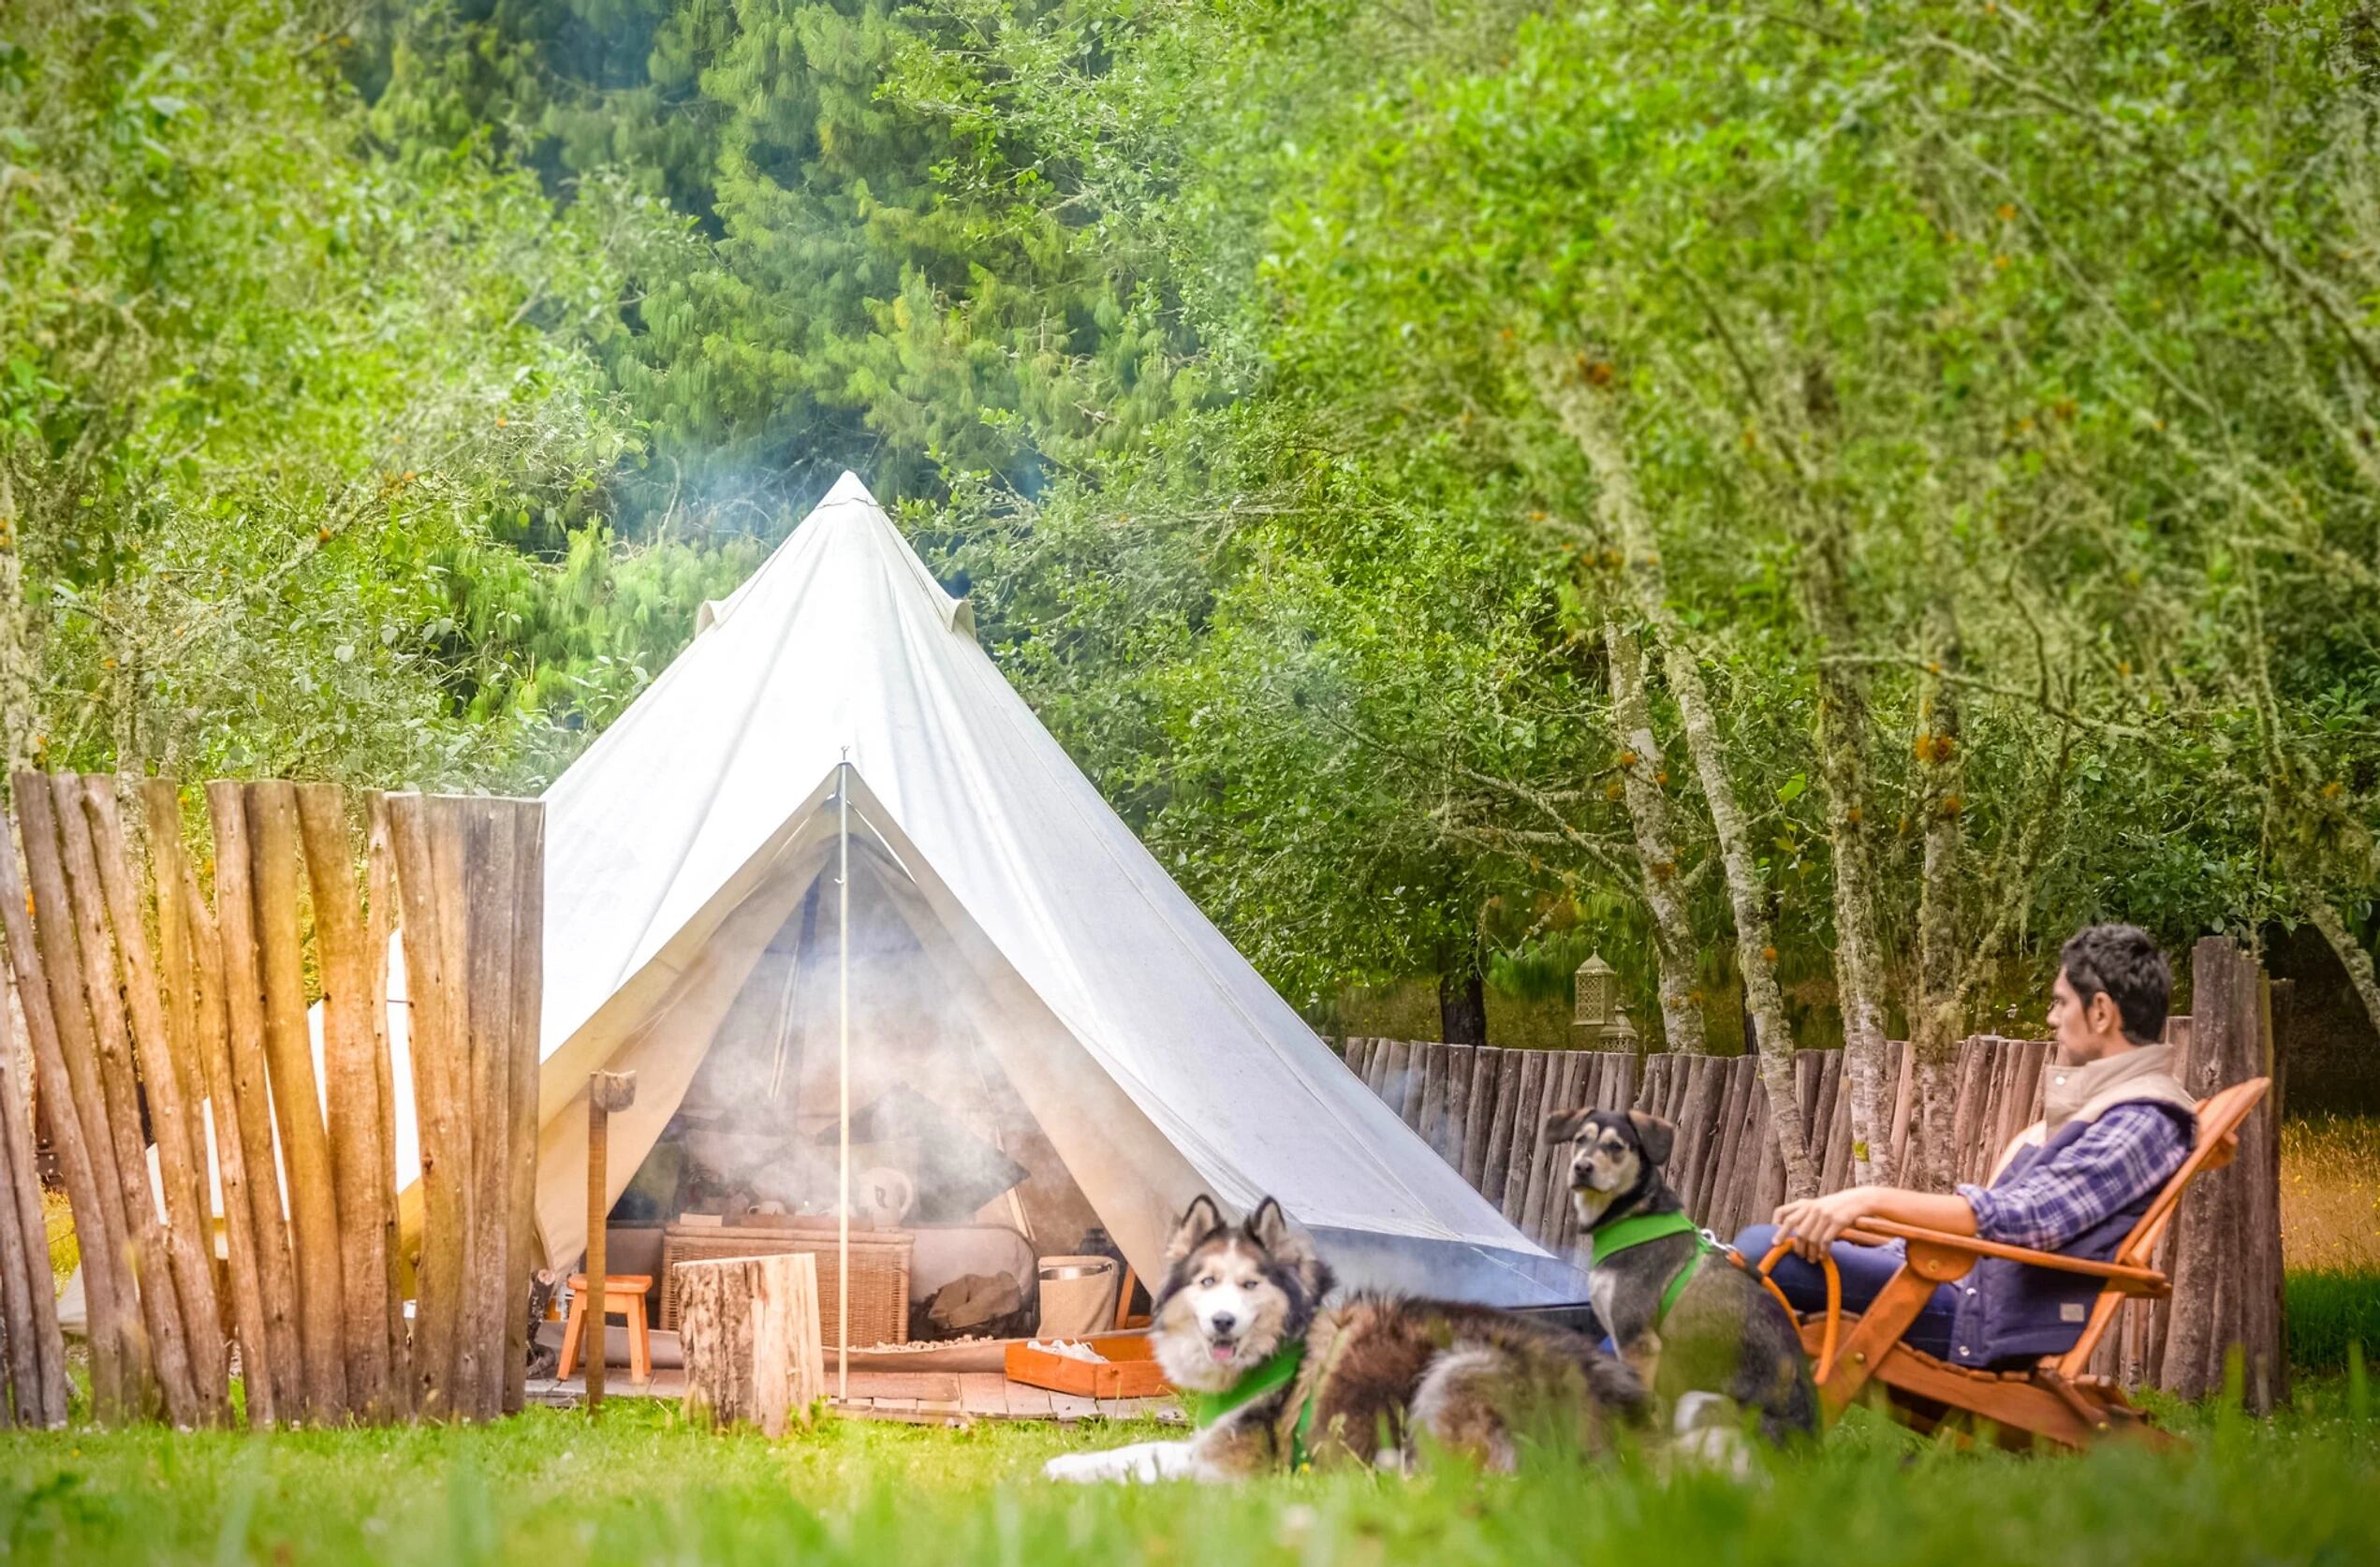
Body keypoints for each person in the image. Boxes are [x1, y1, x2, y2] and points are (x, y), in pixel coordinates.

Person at [1733, 924, 2196, 1369]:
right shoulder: (2107, 1108)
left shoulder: (2143, 1118)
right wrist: (1883, 1237)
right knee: (1759, 1249)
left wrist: (1866, 1199)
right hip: (1962, 1286)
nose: (2052, 1017)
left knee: (1757, 1251)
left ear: (2100, 1012)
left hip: (1979, 1317)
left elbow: (2028, 1219)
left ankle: (1741, 1421)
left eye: (2060, 1003)